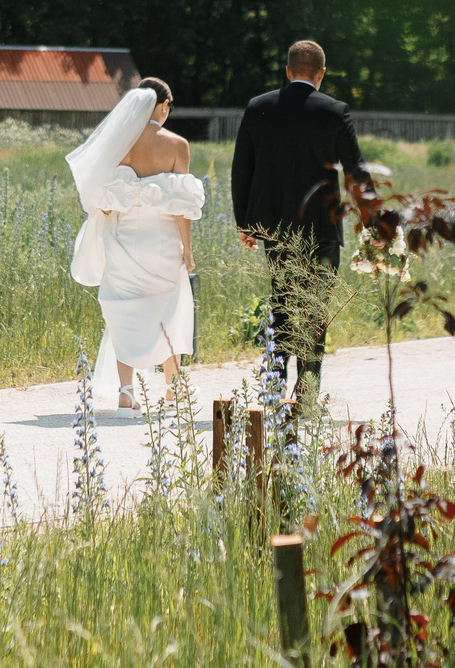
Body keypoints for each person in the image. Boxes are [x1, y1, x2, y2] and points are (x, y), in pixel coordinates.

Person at [230, 39, 363, 410]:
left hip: (276, 229)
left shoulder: (259, 108)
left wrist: (247, 223)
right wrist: (373, 227)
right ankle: (305, 400)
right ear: (321, 74)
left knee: (282, 307)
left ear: (288, 71)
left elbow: (242, 169)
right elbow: (357, 174)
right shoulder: (335, 112)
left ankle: (273, 392)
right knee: (315, 312)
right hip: (322, 231)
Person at [66, 76, 201, 410]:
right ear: (163, 105)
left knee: (123, 310)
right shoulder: (178, 145)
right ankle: (173, 391)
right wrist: (187, 247)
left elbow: (105, 203)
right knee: (171, 310)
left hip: (124, 239)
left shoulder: (118, 144)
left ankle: (126, 393)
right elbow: (182, 208)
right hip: (163, 241)